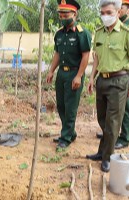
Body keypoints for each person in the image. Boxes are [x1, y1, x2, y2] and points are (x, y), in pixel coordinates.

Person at [86, 0, 129, 172]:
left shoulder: (126, 32)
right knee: (102, 119)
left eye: (109, 12)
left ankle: (108, 157)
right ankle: (102, 151)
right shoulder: (99, 32)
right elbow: (97, 58)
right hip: (102, 80)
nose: (105, 16)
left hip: (119, 80)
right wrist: (91, 78)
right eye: (102, 13)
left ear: (117, 12)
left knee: (113, 122)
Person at [95, 0, 129, 149]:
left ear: (127, 11)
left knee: (126, 106)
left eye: (122, 7)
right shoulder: (105, 30)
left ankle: (124, 137)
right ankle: (111, 134)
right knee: (111, 110)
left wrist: (124, 57)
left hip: (125, 72)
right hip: (110, 75)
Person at [46, 0, 92, 150]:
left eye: (66, 14)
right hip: (61, 74)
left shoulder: (82, 33)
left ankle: (65, 138)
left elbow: (86, 56)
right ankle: (70, 133)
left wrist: (79, 76)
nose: (63, 17)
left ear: (74, 13)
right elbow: (57, 54)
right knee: (61, 106)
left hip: (74, 73)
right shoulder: (59, 33)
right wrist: (52, 70)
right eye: (61, 15)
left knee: (71, 108)